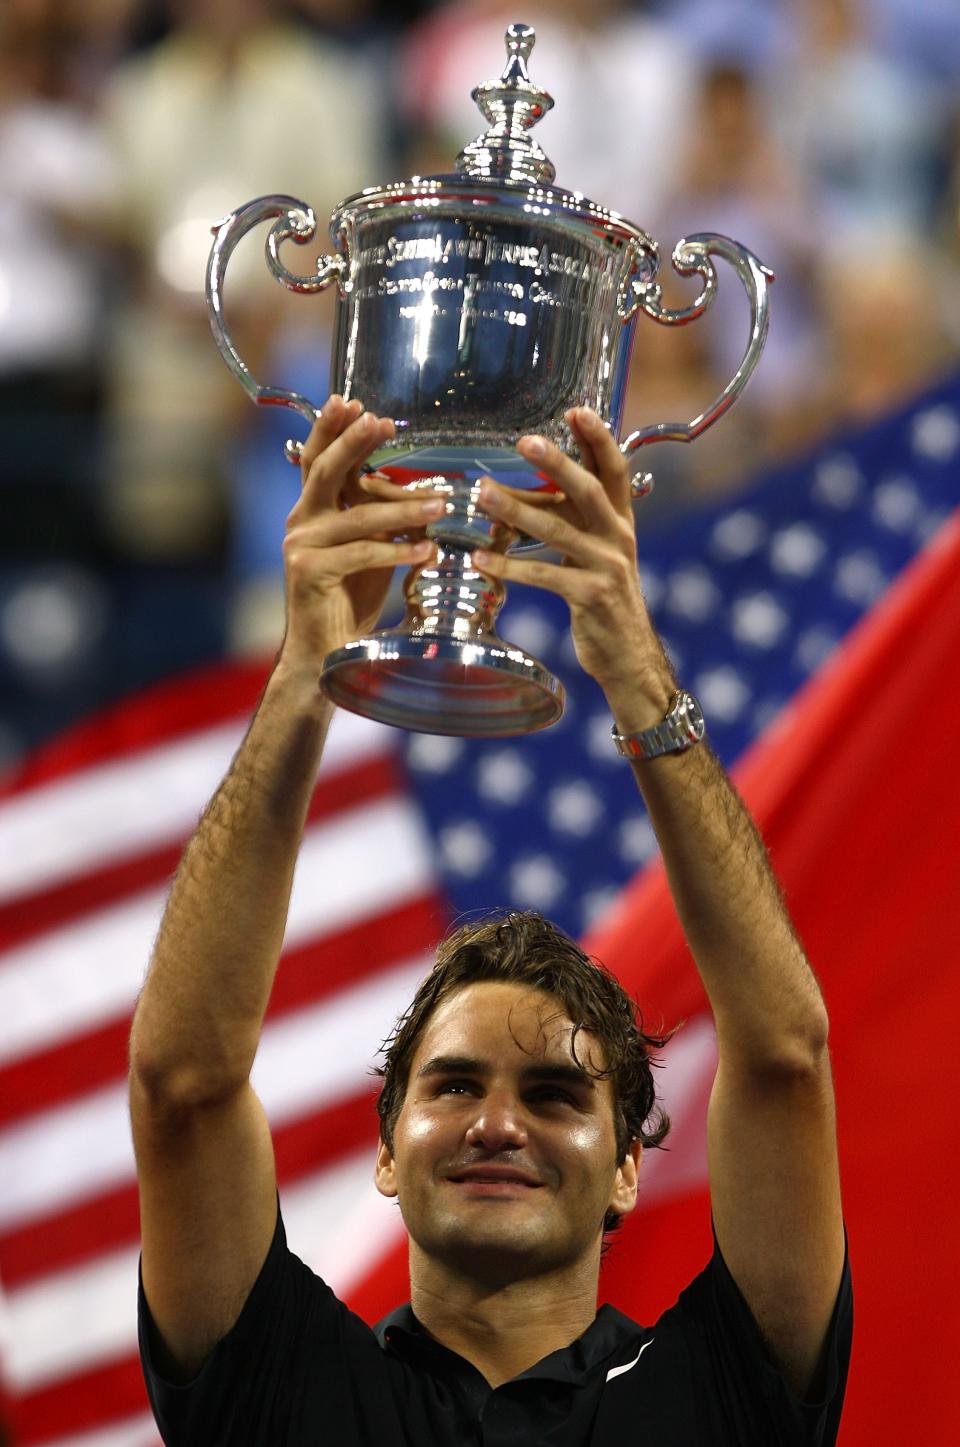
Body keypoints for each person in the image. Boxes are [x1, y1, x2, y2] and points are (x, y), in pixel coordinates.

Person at [129, 398, 852, 1444]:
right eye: (455, 1083)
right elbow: (184, 1084)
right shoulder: (286, 1382)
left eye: (556, 1094)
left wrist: (638, 675)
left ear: (627, 1169)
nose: (498, 1123)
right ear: (388, 1151)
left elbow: (785, 1054)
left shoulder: (727, 1390)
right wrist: (306, 672)